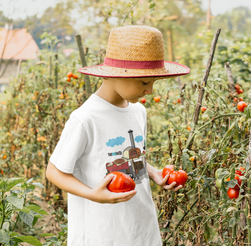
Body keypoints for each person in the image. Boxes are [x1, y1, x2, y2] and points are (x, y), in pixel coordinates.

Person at [46, 25, 190, 246]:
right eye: (144, 82)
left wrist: (153, 173)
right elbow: (54, 171)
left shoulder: (138, 111)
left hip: (141, 227)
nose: (150, 90)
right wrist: (94, 194)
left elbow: (136, 158)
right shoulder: (86, 118)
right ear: (116, 75)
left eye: (153, 82)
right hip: (102, 233)